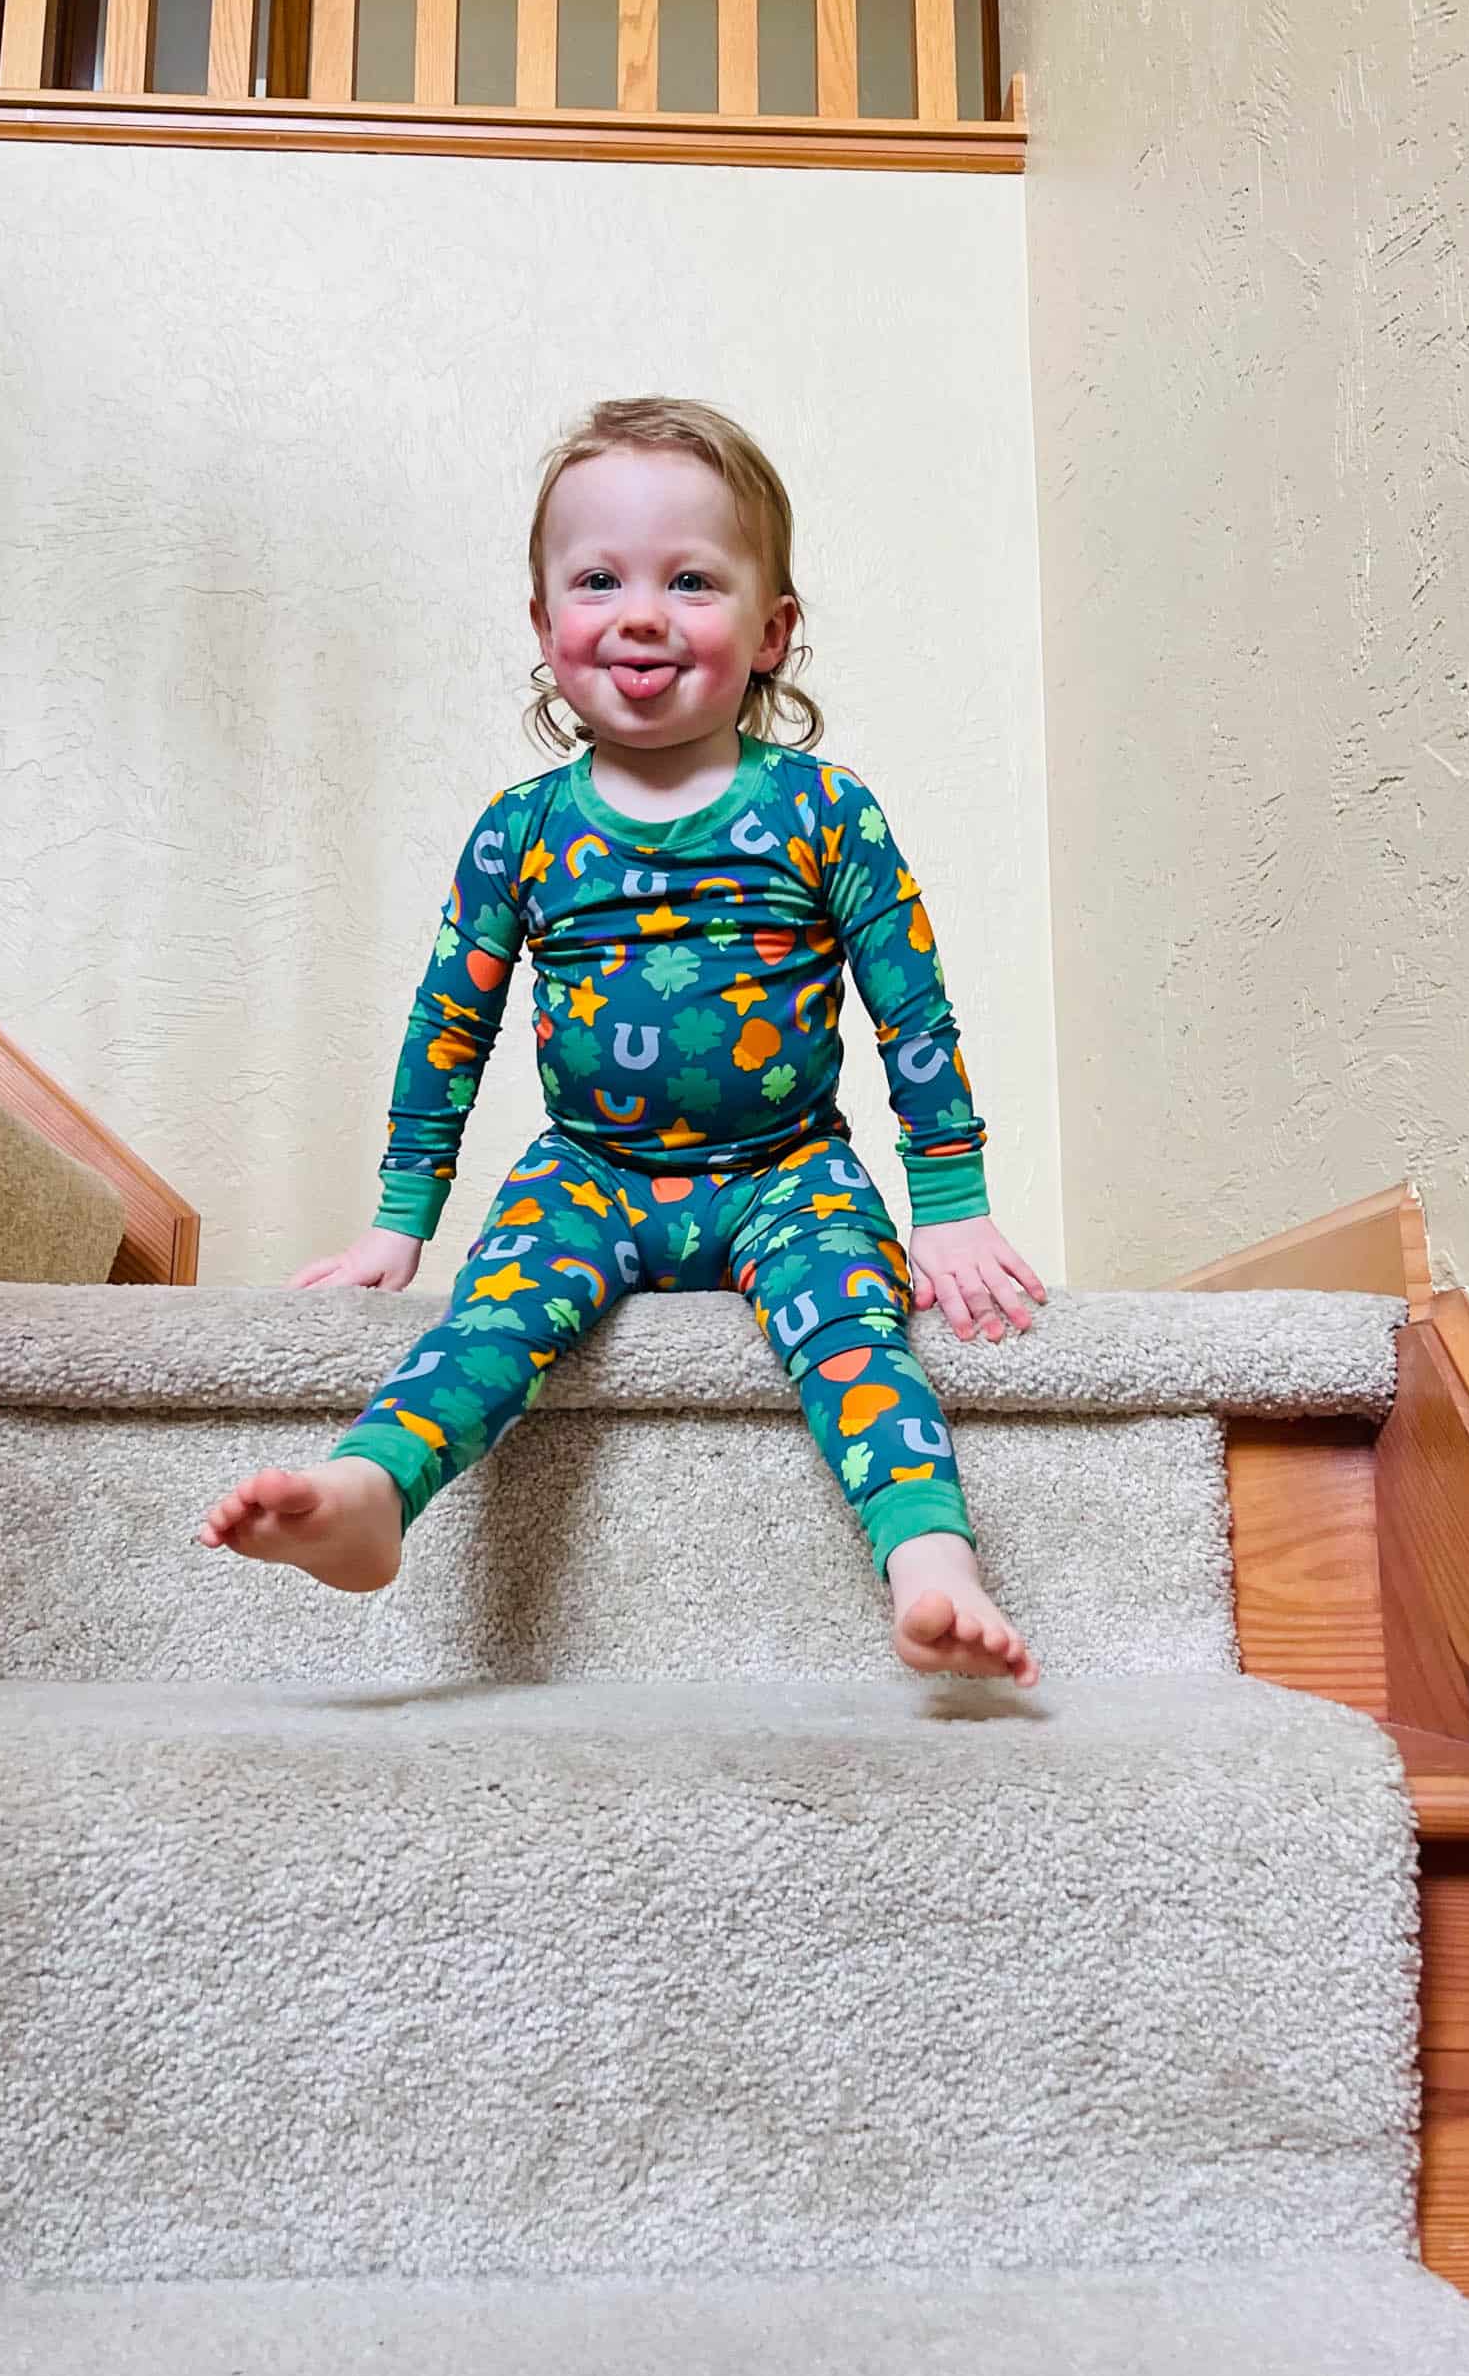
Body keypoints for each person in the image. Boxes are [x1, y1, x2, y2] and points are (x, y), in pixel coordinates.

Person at [199, 397, 1047, 1684]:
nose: (641, 614)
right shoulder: (521, 831)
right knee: (491, 1316)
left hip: (790, 1174)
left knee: (858, 1335)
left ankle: (932, 1563)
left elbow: (911, 1010)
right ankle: (371, 1492)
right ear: (546, 625)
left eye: (690, 581)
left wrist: (951, 1204)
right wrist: (398, 1220)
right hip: (587, 1171)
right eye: (599, 580)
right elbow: (450, 1022)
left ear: (771, 633)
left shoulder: (827, 811)